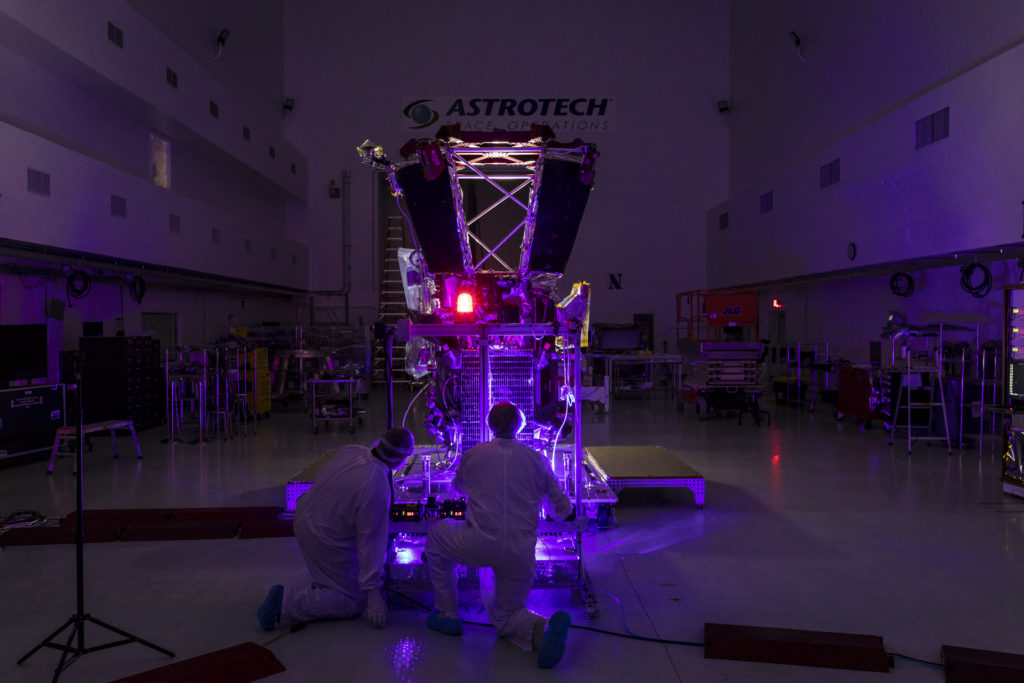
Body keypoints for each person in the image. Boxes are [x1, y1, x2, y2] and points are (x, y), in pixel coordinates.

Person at [424, 401, 575, 669]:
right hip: (521, 550)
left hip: (478, 542)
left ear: (488, 424)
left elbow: (456, 487)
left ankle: (448, 615)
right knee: (506, 614)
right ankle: (543, 627)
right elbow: (561, 510)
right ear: (521, 425)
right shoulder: (536, 458)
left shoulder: (474, 455)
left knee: (436, 537)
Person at [257, 427, 415, 631]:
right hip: (323, 534)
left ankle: (324, 583)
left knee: (346, 575)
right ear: (402, 459)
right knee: (352, 601)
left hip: (306, 515)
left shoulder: (353, 450)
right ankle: (285, 604)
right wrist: (373, 594)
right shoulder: (375, 485)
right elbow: (370, 541)